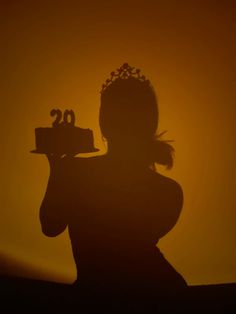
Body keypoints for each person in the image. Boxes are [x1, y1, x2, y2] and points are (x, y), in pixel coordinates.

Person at [40, 63, 187, 299]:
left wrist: (60, 172)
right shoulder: (169, 192)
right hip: (160, 297)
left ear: (103, 123)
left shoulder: (76, 172)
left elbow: (51, 227)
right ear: (151, 123)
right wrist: (59, 171)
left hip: (113, 298)